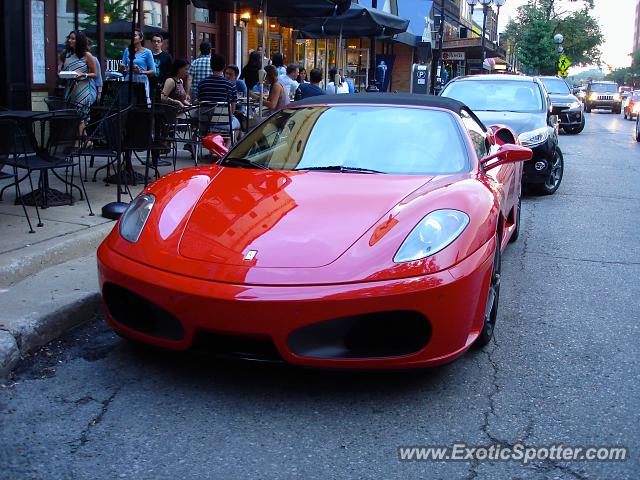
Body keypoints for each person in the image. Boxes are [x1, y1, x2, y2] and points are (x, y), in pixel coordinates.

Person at [198, 53, 240, 143]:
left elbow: (200, 103)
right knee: (237, 124)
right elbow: (232, 110)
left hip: (204, 123)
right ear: (224, 67)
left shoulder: (202, 84)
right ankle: (225, 151)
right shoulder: (230, 86)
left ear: (210, 66)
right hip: (224, 123)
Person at [58, 30, 97, 124]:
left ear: (79, 41)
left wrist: (84, 74)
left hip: (84, 87)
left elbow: (95, 74)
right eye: (69, 38)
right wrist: (60, 71)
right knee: (73, 117)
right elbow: (60, 69)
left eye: (73, 39)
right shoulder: (65, 54)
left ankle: (81, 138)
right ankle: (84, 138)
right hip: (70, 88)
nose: (70, 41)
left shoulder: (87, 55)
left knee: (80, 117)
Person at [118, 29, 155, 103]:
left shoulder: (147, 52)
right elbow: (122, 69)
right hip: (129, 78)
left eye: (134, 35)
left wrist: (140, 72)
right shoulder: (127, 50)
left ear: (141, 38)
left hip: (141, 80)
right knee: (127, 102)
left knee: (141, 103)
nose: (132, 37)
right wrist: (121, 67)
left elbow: (153, 71)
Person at [150, 33, 173, 98]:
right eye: (154, 41)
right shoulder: (149, 55)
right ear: (151, 43)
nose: (156, 43)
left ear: (161, 43)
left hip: (162, 85)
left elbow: (171, 71)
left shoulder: (167, 56)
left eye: (158, 41)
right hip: (150, 84)